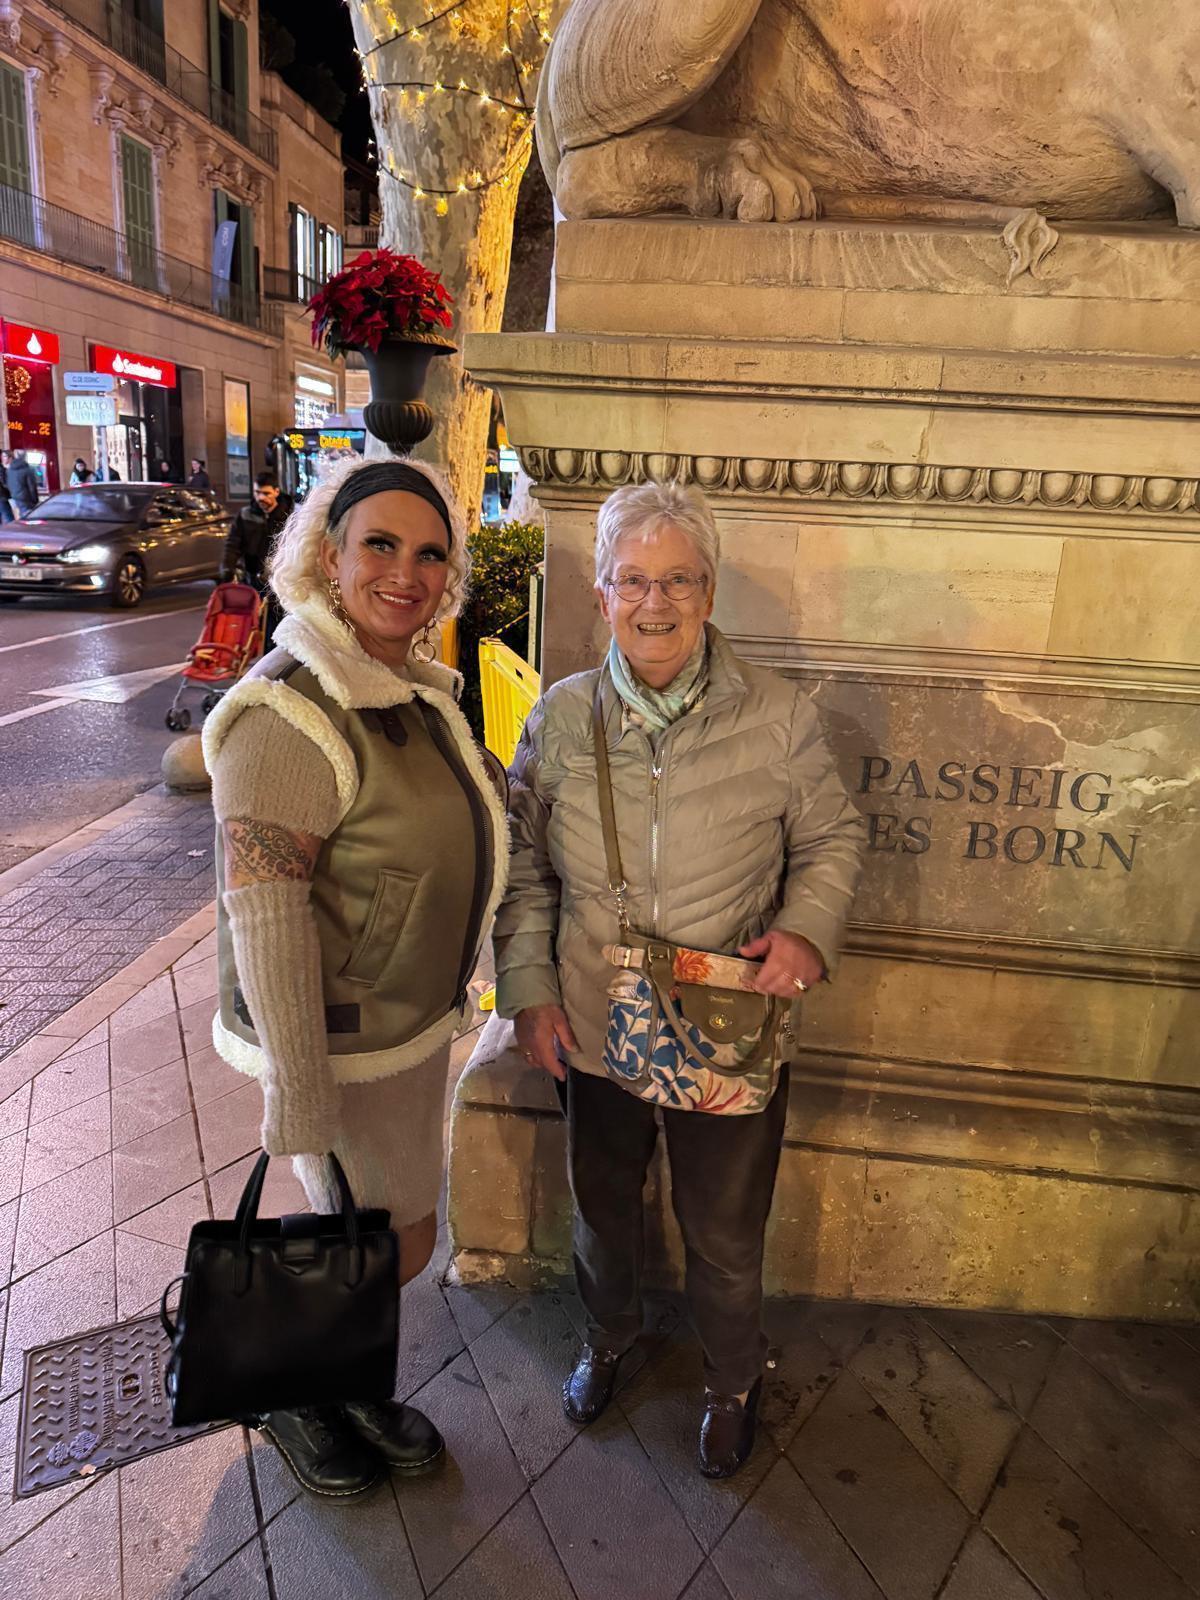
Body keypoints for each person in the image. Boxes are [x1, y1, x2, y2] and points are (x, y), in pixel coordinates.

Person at [494, 480, 864, 1480]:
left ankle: (733, 1379)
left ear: (708, 594)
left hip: (724, 1025)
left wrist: (803, 933)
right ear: (603, 592)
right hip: (589, 1017)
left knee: (724, 1231)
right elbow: (523, 868)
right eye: (633, 580)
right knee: (602, 1210)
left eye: (679, 580)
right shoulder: (562, 718)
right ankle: (608, 1338)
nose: (655, 601)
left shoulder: (778, 718)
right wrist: (527, 993)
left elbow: (831, 838)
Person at [203, 455, 508, 1500]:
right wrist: (296, 1083)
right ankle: (298, 1390)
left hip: (404, 1024)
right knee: (382, 1232)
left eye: (430, 554)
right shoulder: (285, 710)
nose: (406, 573)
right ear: (327, 557)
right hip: (334, 1033)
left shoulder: (407, 687)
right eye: (379, 543)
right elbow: (268, 911)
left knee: (384, 1232)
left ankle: (339, 1374)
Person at [221, 472, 293, 648]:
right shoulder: (246, 515)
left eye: (266, 493)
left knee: (276, 628)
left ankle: (273, 663)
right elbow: (233, 544)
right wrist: (227, 569)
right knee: (253, 625)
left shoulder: (291, 515)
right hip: (254, 579)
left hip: (280, 582)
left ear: (276, 492)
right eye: (257, 492)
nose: (261, 497)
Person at [7, 450, 38, 517]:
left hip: (15, 497)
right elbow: (32, 487)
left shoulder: (10, 469)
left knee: (22, 514)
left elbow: (9, 484)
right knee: (28, 516)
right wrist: (35, 500)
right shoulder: (28, 469)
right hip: (27, 498)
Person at [0, 451, 13, 524]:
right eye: (3, 456)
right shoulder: (2, 468)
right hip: (2, 496)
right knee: (9, 518)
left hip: (4, 496)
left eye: (5, 456)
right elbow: (4, 482)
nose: (3, 458)